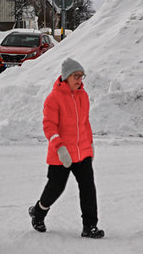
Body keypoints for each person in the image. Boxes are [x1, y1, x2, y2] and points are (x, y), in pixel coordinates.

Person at [28, 57, 104, 239]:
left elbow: (85, 122)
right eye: (76, 76)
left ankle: (90, 226)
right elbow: (49, 126)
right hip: (61, 154)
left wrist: (90, 144)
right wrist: (60, 148)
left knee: (88, 188)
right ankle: (38, 212)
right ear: (66, 77)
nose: (79, 80)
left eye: (81, 76)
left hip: (82, 151)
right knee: (56, 188)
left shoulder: (83, 96)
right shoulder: (53, 98)